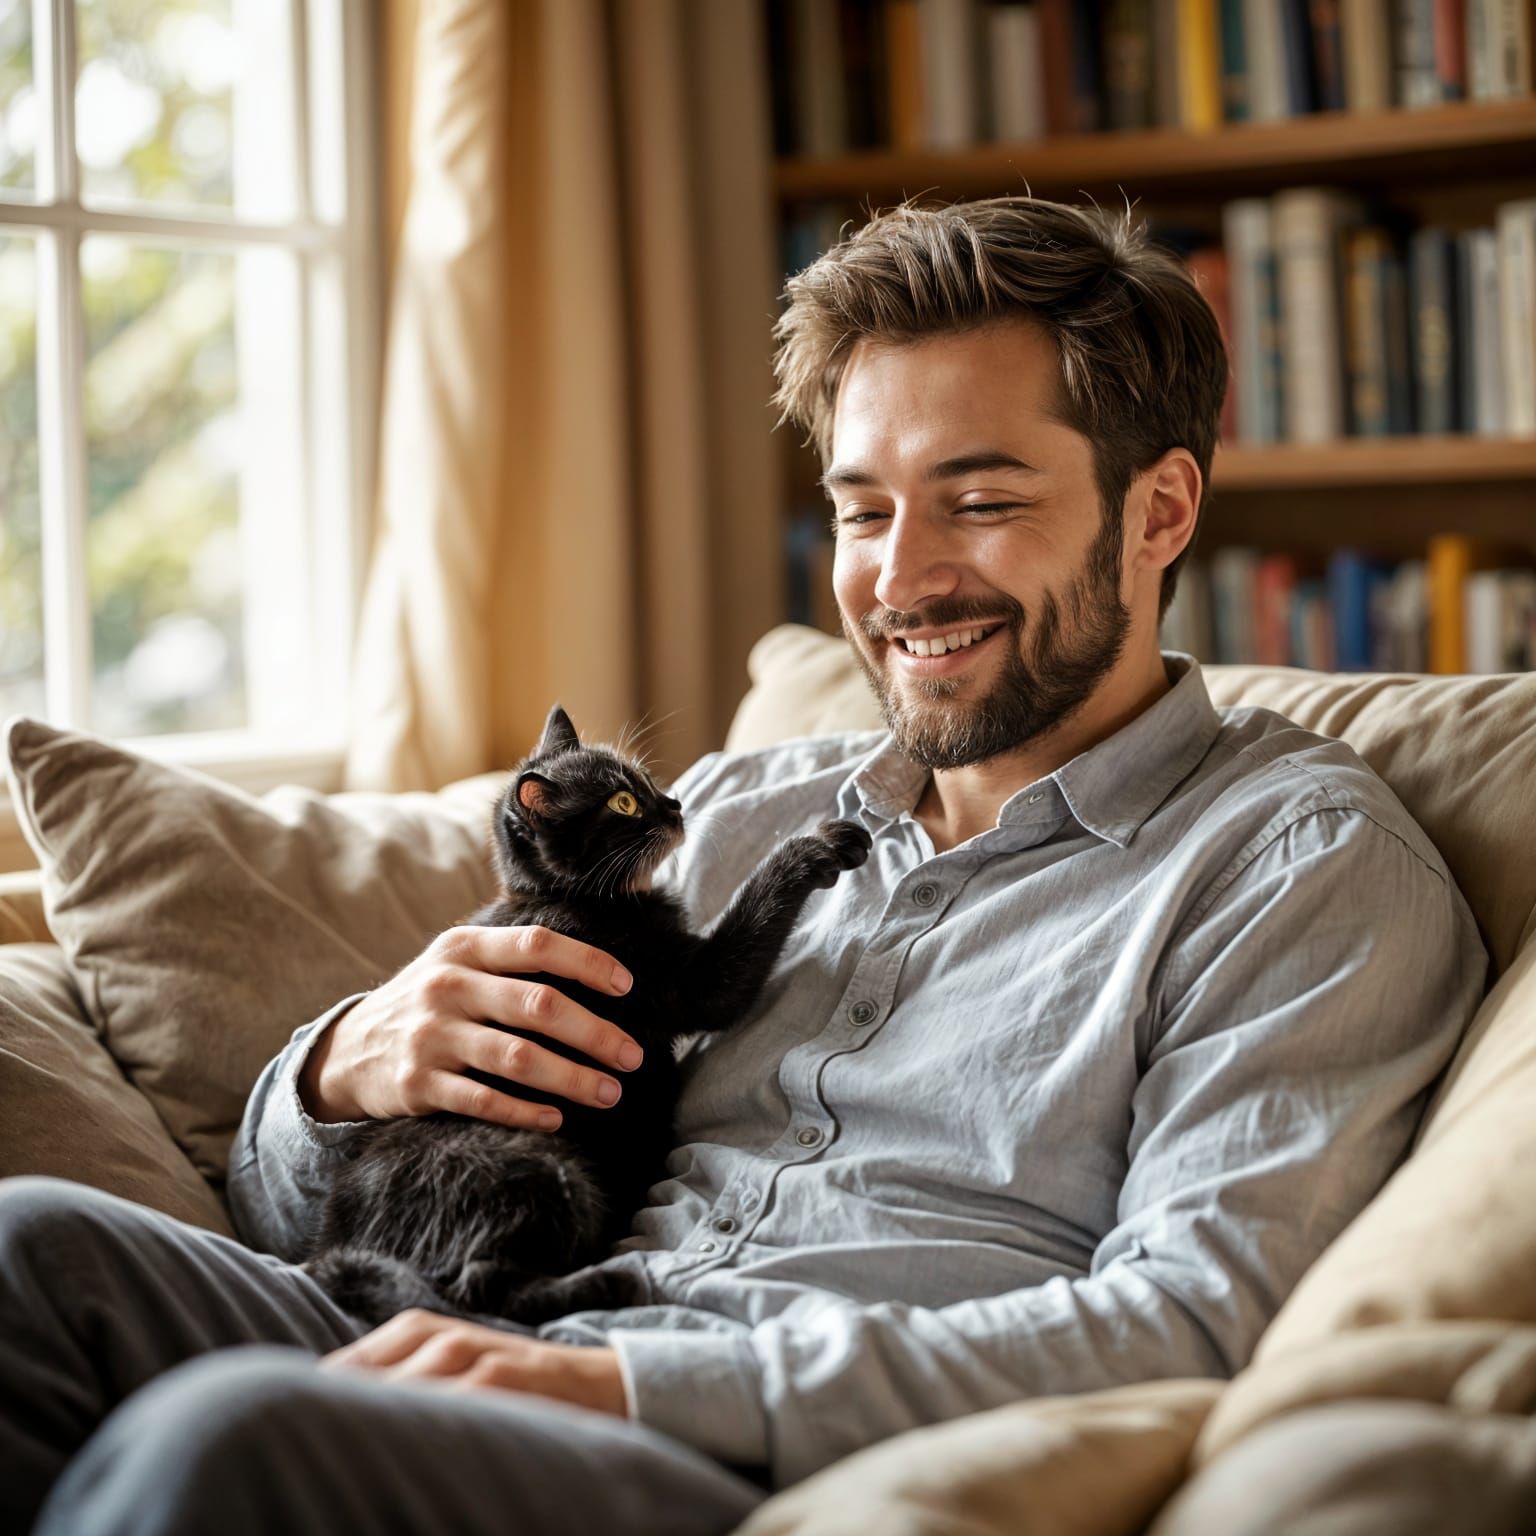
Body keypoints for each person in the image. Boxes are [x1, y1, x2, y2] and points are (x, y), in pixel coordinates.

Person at [0, 195, 1488, 1536]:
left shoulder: (1295, 868)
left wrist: (629, 1396)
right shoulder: (728, 805)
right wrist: (339, 1075)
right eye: (861, 509)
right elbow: (299, 1205)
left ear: (1158, 510)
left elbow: (1197, 1317)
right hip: (491, 1325)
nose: (900, 580)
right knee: (29, 1252)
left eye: (979, 499)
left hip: (738, 1452)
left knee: (237, 1441)